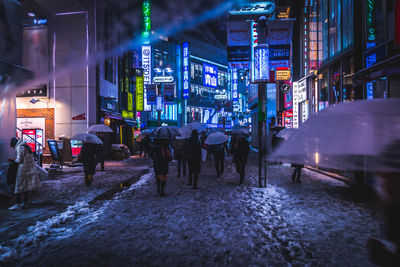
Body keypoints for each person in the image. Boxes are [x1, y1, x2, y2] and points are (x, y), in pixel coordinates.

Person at [367, 140, 400, 266]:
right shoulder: (393, 208)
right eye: (382, 175)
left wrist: (388, 261)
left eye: (392, 175)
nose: (383, 183)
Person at [8, 137, 41, 210]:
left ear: (14, 144)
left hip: (23, 169)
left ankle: (18, 204)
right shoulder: (26, 146)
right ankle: (26, 202)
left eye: (13, 147)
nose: (13, 148)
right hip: (29, 168)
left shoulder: (20, 147)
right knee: (26, 186)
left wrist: (13, 161)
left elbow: (20, 160)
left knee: (19, 187)